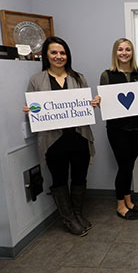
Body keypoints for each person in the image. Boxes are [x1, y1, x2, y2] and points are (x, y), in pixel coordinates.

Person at [23, 36, 97, 236]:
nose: (58, 56)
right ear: (46, 55)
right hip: (54, 141)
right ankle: (68, 218)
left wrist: (92, 103)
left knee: (80, 177)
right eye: (54, 52)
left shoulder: (79, 78)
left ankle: (77, 213)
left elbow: (84, 105)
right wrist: (31, 111)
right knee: (59, 179)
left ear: (68, 55)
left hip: (79, 136)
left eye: (62, 52)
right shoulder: (36, 80)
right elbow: (36, 109)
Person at [98, 38, 138, 220]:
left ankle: (129, 201)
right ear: (115, 52)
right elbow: (106, 103)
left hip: (137, 127)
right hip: (117, 129)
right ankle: (120, 205)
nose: (124, 53)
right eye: (120, 49)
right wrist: (99, 101)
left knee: (130, 165)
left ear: (132, 52)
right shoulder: (107, 75)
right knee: (124, 166)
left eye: (128, 49)